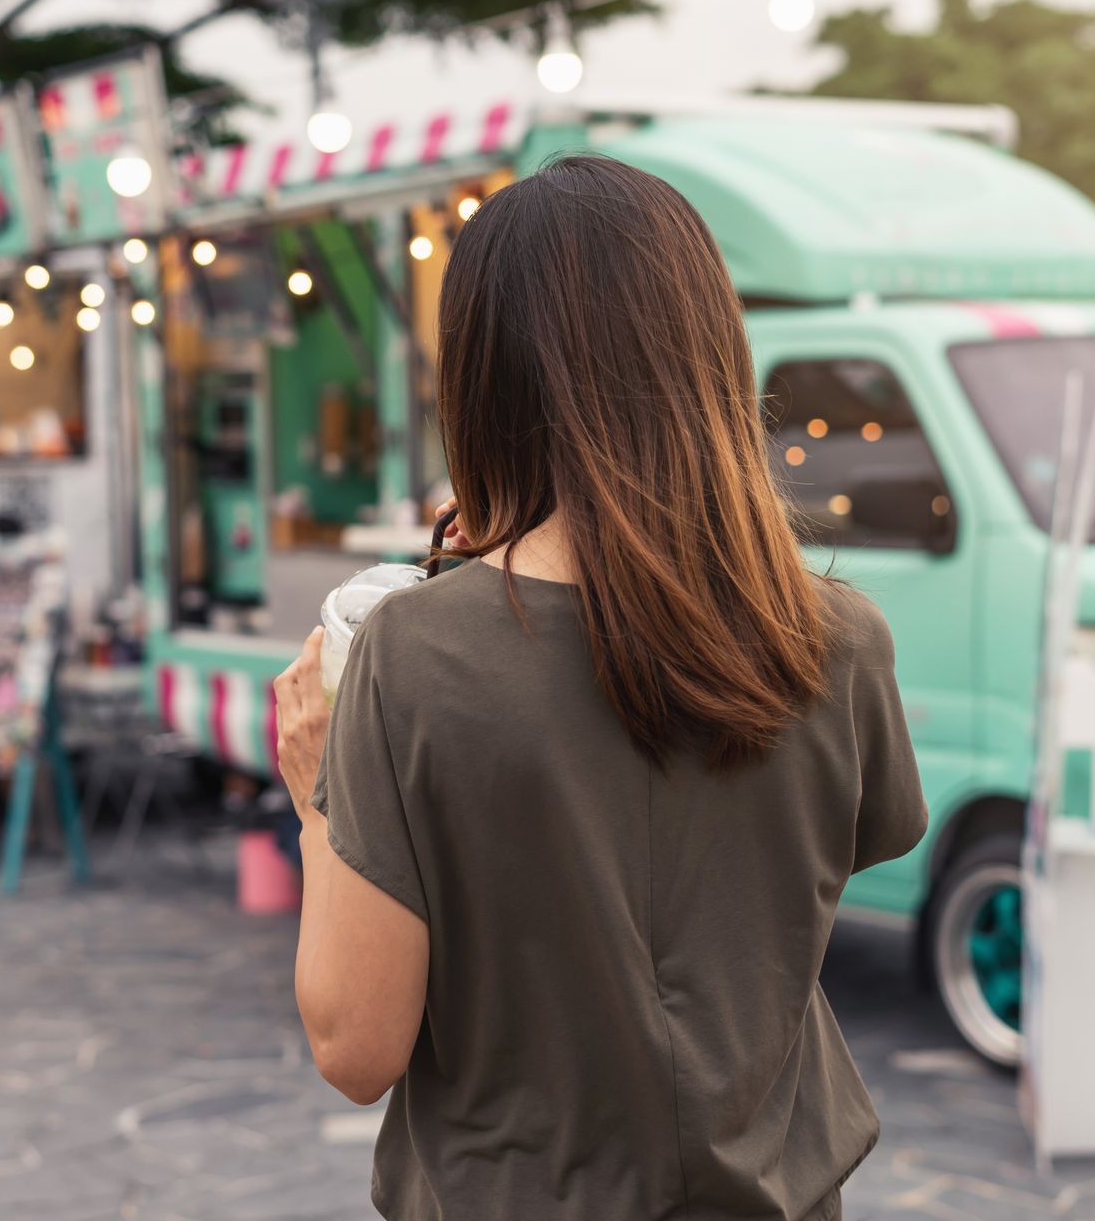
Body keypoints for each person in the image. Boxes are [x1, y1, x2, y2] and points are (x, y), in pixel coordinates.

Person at [272, 155, 928, 1220]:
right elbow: (796, 881)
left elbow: (357, 1044)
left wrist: (317, 795)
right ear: (709, 350)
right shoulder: (837, 638)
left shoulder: (415, 653)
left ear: (481, 377)